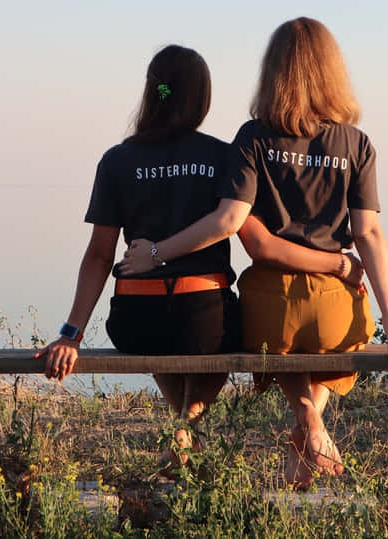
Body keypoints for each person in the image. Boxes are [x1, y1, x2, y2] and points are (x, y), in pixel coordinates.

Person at [118, 18, 388, 488]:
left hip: (269, 303)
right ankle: (310, 427)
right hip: (337, 302)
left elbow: (236, 226)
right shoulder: (357, 145)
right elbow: (370, 235)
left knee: (272, 340)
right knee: (345, 337)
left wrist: (155, 253)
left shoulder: (253, 139)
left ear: (273, 72)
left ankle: (305, 424)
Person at [36, 44, 243, 474]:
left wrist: (70, 333)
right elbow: (243, 227)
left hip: (136, 322)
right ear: (202, 97)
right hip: (206, 321)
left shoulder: (118, 160)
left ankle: (183, 432)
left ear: (152, 92)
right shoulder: (223, 156)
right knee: (223, 330)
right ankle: (186, 427)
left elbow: (98, 255)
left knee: (163, 334)